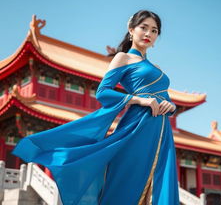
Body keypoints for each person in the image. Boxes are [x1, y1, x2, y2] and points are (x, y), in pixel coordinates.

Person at [12, 10, 179, 205]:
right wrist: (140, 100)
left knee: (163, 183)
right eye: (143, 27)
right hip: (137, 127)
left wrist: (172, 106)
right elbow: (103, 92)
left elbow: (165, 97)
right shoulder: (123, 58)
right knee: (129, 182)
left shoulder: (157, 67)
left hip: (161, 130)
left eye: (154, 30)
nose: (148, 33)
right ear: (131, 29)